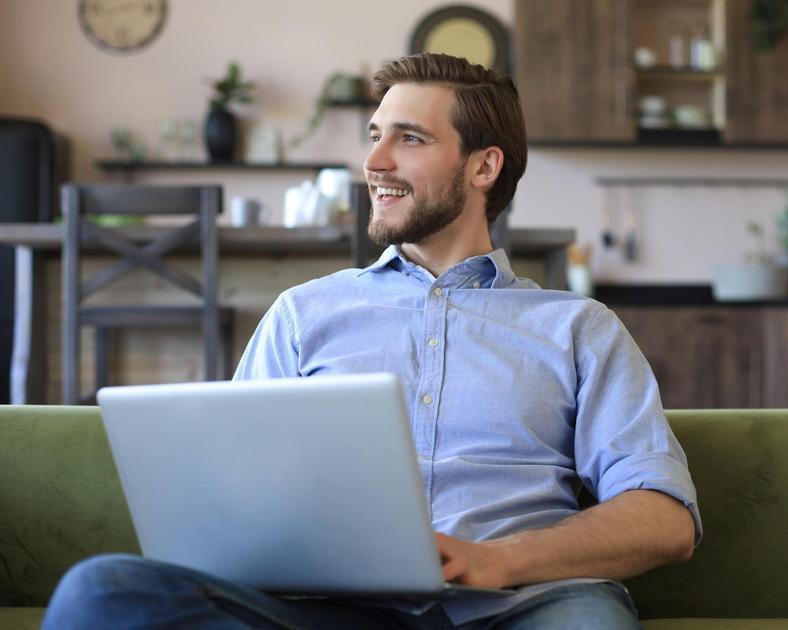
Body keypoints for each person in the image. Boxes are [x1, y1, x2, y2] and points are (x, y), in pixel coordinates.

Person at [43, 53, 701, 630]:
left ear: (482, 167)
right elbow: (228, 498)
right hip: (332, 609)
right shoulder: (303, 313)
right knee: (104, 590)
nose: (374, 162)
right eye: (374, 135)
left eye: (409, 138)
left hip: (527, 603)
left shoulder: (576, 327)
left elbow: (663, 519)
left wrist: (497, 559)